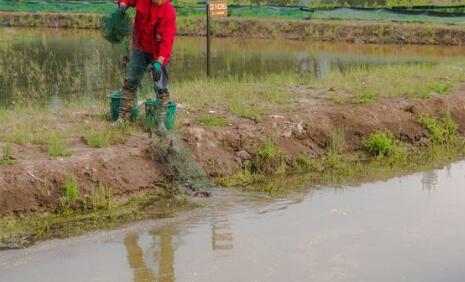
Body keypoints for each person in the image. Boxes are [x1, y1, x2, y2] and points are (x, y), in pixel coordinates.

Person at [115, 0, 176, 135]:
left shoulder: (169, 12)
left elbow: (168, 41)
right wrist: (123, 5)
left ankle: (160, 124)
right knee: (130, 81)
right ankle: (123, 118)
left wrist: (159, 63)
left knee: (161, 87)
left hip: (158, 53)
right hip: (140, 48)